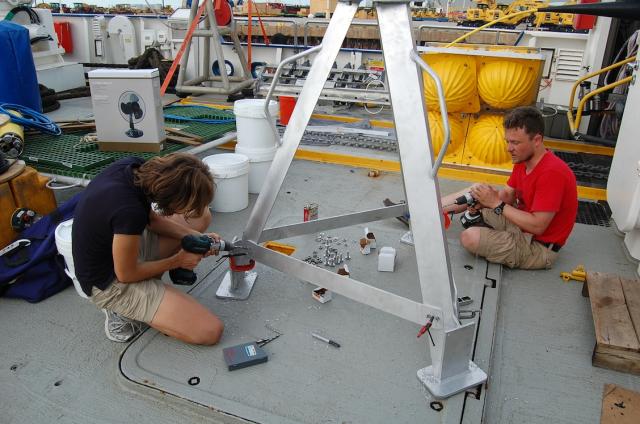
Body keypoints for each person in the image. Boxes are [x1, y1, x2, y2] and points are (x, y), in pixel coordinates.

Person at [72, 153, 224, 344]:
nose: (184, 211)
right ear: (171, 196)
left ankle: (154, 289)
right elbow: (126, 274)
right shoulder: (129, 210)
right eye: (182, 205)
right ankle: (121, 311)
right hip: (109, 282)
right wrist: (178, 260)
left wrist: (193, 236)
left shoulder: (135, 167)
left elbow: (151, 220)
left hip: (120, 246)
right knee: (210, 331)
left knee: (200, 217)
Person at [440, 106, 578, 269]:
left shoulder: (552, 173)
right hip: (521, 226)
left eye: (515, 142)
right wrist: (483, 198)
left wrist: (495, 204)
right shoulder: (523, 158)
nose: (508, 148)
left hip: (537, 246)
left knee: (469, 237)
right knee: (478, 189)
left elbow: (538, 226)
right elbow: (507, 195)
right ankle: (432, 210)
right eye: (508, 141)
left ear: (537, 140)